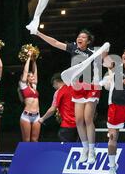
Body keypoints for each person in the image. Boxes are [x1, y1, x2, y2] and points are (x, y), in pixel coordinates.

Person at [34, 29, 102, 164]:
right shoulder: (73, 48)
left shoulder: (93, 53)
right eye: (78, 36)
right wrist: (38, 33)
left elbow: (105, 64)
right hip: (77, 87)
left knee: (88, 119)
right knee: (78, 121)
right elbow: (54, 42)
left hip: (90, 87)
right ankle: (85, 149)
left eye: (83, 37)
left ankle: (92, 150)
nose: (79, 38)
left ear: (88, 41)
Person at [39, 73, 78, 142]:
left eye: (53, 85)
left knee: (65, 148)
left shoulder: (59, 92)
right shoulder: (75, 88)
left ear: (56, 82)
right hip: (80, 125)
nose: (53, 87)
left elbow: (52, 109)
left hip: (68, 125)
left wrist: (42, 118)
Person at [18, 52, 41, 142]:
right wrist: (28, 58)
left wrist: (34, 60)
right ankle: (25, 156)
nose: (32, 77)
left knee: (35, 140)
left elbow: (35, 72)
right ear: (26, 78)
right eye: (30, 76)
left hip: (37, 116)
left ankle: (35, 156)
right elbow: (25, 71)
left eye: (32, 76)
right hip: (26, 116)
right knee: (26, 140)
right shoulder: (23, 85)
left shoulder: (34, 87)